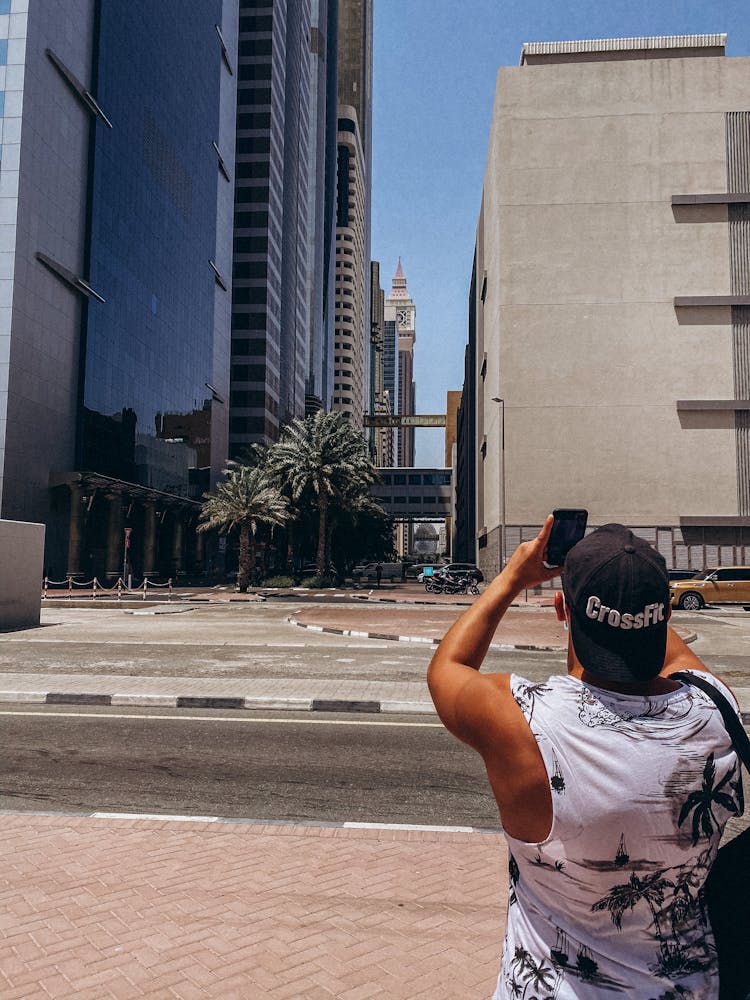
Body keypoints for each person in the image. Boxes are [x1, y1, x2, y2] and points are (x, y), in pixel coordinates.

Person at [427, 517, 743, 999]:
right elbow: (673, 658)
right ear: (662, 618)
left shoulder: (525, 723)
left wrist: (514, 576)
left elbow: (447, 668)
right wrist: (633, 593)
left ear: (562, 610)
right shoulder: (715, 709)